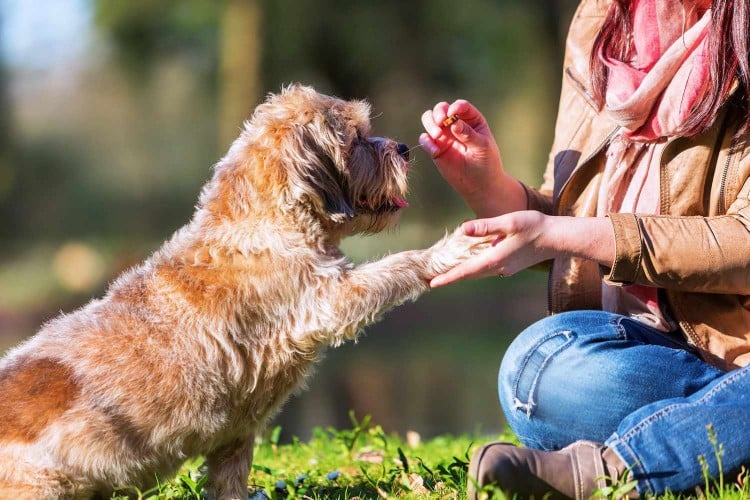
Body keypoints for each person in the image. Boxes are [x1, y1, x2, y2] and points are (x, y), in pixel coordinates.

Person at [419, 0, 750, 498]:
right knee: (534, 371)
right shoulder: (602, 20)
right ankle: (722, 428)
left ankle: (614, 470)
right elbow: (574, 215)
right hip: (647, 354)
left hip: (734, 351)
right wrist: (491, 188)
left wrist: (560, 233)